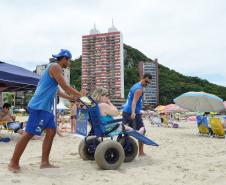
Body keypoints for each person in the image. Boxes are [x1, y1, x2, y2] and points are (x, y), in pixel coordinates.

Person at [8, 49, 86, 173]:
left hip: (46, 109)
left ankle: (44, 162)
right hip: (39, 106)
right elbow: (65, 86)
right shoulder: (55, 67)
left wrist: (73, 98)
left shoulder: (53, 71)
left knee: (51, 131)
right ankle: (13, 162)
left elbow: (58, 91)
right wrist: (80, 95)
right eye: (69, 61)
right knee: (29, 134)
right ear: (64, 59)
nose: (69, 63)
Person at [122, 73, 152, 156]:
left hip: (126, 111)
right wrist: (133, 112)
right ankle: (141, 152)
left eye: (149, 82)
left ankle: (122, 148)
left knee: (124, 130)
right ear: (142, 78)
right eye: (146, 81)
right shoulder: (139, 89)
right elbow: (134, 102)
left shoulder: (136, 85)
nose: (147, 84)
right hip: (132, 112)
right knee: (142, 131)